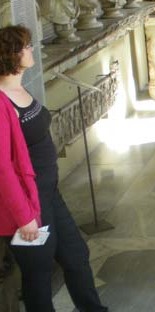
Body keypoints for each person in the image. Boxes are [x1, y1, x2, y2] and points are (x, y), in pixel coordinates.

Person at [0, 26, 107, 311]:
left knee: (76, 255)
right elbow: (2, 170)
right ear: (11, 54)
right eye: (26, 46)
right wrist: (24, 217)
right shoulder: (0, 101)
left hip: (49, 193)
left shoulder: (19, 88)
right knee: (38, 273)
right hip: (28, 203)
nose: (31, 50)